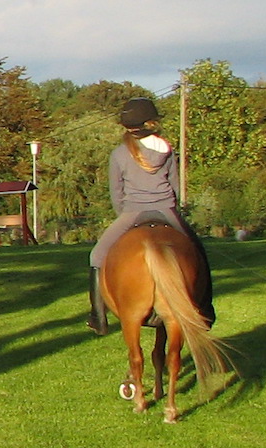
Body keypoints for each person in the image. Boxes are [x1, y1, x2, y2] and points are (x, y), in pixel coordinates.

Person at [87, 97, 214, 335]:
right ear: (150, 122)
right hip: (166, 209)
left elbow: (116, 192)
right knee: (198, 251)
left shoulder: (119, 154)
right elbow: (174, 187)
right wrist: (172, 209)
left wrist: (124, 215)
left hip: (132, 212)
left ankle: (98, 317)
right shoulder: (167, 150)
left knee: (96, 256)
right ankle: (205, 310)